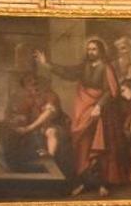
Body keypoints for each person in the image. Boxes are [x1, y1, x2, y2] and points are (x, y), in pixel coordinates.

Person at [34, 38, 125, 196]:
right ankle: (85, 182)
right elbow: (67, 72)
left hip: (100, 111)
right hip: (83, 108)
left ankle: (102, 184)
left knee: (98, 145)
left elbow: (112, 91)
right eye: (89, 49)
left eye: (94, 49)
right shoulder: (85, 66)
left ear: (101, 51)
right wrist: (46, 63)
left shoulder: (106, 67)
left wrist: (99, 106)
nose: (91, 52)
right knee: (82, 144)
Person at [6, 72, 69, 170]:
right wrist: (19, 120)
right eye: (29, 83)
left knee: (51, 132)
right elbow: (21, 115)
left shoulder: (50, 95)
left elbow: (48, 114)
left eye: (36, 82)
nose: (34, 84)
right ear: (26, 88)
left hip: (55, 125)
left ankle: (50, 157)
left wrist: (28, 128)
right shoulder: (28, 99)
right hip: (38, 128)